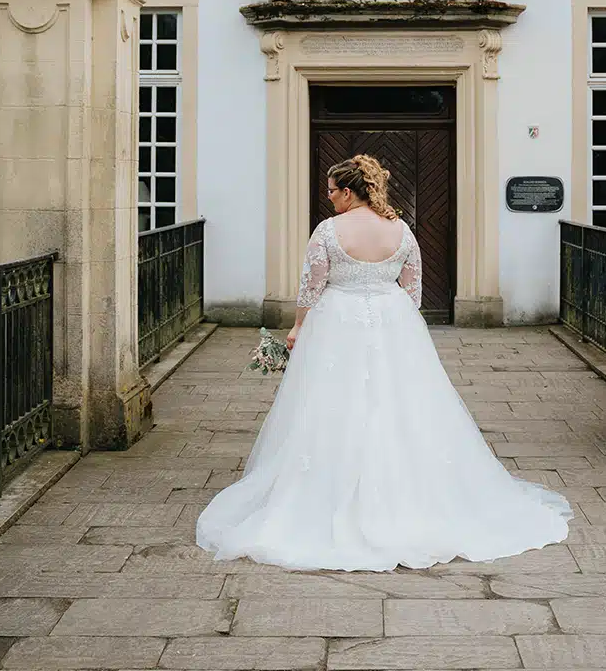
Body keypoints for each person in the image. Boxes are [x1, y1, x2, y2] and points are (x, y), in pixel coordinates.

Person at [196, 154, 572, 572]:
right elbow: (413, 289)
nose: (329, 198)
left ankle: (327, 492)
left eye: (332, 191)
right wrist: (398, 326)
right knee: (400, 403)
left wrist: (298, 328)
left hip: (338, 322)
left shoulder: (327, 231)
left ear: (349, 191)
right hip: (395, 322)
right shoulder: (402, 229)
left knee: (333, 405)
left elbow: (311, 287)